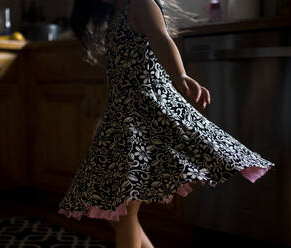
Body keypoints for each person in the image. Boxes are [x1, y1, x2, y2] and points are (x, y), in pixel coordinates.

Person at [58, 0, 275, 247]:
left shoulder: (140, 4)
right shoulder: (116, 14)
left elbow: (161, 38)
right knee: (115, 212)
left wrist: (179, 75)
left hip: (146, 114)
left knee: (125, 211)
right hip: (122, 116)